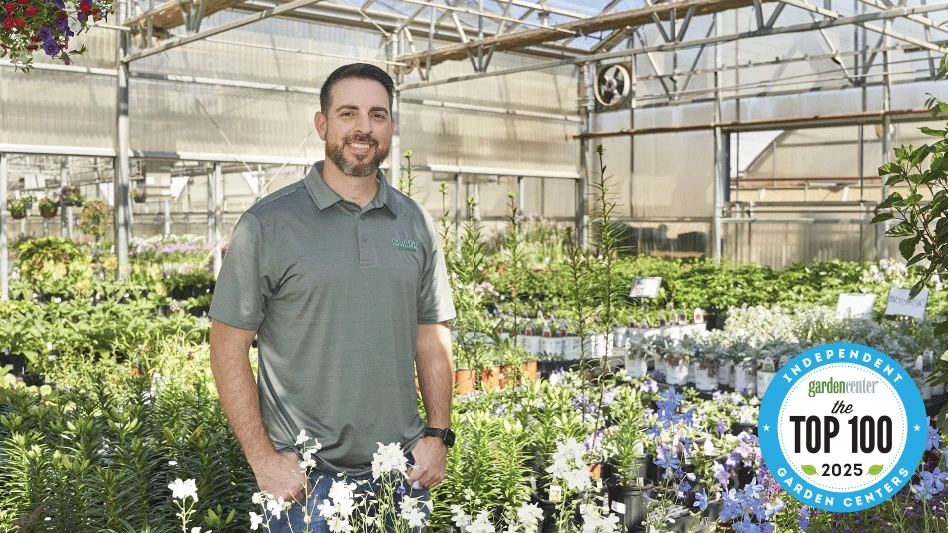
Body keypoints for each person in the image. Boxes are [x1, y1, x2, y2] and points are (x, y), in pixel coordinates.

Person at [208, 63, 456, 533]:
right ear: (322, 124)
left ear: (390, 127)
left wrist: (438, 435)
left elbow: (432, 335)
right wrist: (263, 460)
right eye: (348, 113)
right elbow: (226, 346)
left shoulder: (415, 223)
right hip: (304, 484)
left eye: (377, 115)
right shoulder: (268, 225)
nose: (363, 127)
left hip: (400, 478)